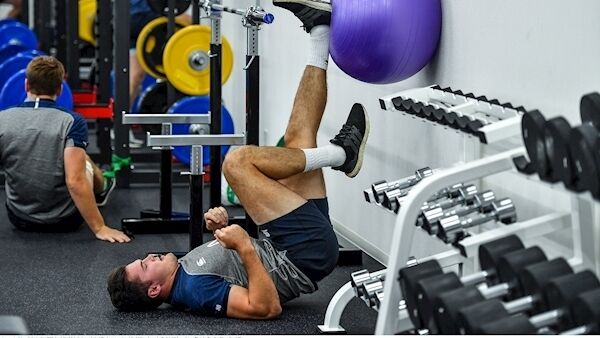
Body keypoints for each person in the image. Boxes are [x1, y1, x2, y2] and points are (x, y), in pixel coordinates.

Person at [107, 0, 368, 318]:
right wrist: (243, 244)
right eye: (145, 265)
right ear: (153, 290)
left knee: (297, 139)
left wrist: (226, 227)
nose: (149, 256)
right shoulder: (196, 293)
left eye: (143, 258)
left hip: (285, 243)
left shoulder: (180, 274)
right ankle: (340, 155)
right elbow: (265, 308)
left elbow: (236, 268)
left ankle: (320, 31)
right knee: (236, 163)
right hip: (300, 254)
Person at [0, 56, 131, 243]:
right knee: (80, 159)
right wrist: (100, 227)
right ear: (60, 89)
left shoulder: (2, 119)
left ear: (26, 85)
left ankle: (102, 187)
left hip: (19, 219)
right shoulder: (72, 121)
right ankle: (102, 188)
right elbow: (75, 181)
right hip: (66, 221)